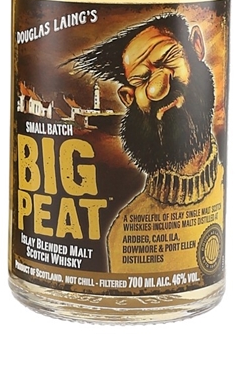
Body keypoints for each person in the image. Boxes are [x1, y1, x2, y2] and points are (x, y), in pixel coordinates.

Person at [68, 14, 224, 278]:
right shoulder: (122, 232)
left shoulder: (229, 189)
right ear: (129, 98)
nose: (157, 89)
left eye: (167, 60)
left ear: (196, 46)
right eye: (141, 80)